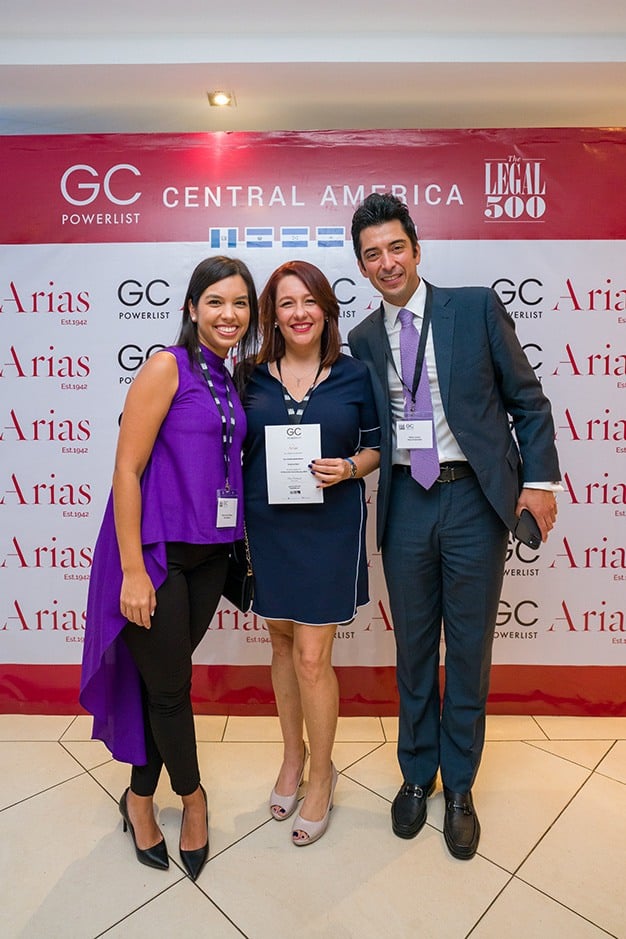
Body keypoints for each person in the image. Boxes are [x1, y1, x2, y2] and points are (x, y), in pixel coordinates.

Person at [348, 193, 560, 860]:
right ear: (362, 265)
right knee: (413, 651)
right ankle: (418, 774)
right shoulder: (362, 338)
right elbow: (370, 427)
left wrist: (540, 482)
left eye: (396, 247)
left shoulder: (473, 308)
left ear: (416, 249)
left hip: (473, 500)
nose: (387, 262)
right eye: (373, 254)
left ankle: (460, 786)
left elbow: (529, 402)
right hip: (406, 504)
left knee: (467, 649)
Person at [80, 256, 259, 880]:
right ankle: (191, 798)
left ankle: (137, 795)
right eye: (216, 302)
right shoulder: (167, 365)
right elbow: (126, 470)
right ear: (191, 308)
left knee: (163, 684)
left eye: (240, 303)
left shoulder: (228, 378)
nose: (229, 314)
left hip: (209, 558)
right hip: (153, 557)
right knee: (170, 690)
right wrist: (133, 571)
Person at [236, 260, 380, 846]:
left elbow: (376, 447)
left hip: (329, 529)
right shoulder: (247, 376)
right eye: (286, 303)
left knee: (313, 657)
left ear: (326, 308)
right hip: (267, 528)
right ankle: (292, 757)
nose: (299, 313)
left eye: (309, 301)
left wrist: (348, 467)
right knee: (280, 643)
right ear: (272, 314)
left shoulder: (355, 374)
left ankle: (322, 774)